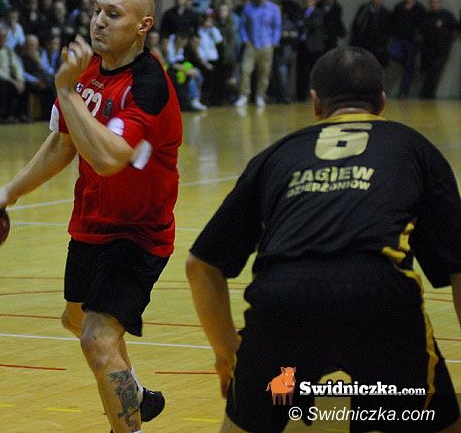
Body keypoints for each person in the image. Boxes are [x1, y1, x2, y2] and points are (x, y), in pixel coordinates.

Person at [186, 46, 460, 433]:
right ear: (381, 102)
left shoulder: (276, 155)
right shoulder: (414, 148)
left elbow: (200, 266)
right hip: (377, 298)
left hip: (282, 301)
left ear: (315, 104)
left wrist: (228, 353)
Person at [0, 0, 182, 433]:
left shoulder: (148, 86)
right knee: (75, 318)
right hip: (90, 223)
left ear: (143, 26)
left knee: (97, 340)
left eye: (113, 14)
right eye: (97, 10)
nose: (99, 21)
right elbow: (63, 143)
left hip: (139, 233)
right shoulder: (86, 71)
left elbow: (107, 158)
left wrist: (66, 92)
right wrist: (9, 192)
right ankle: (137, 395)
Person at [235, 0, 281, 108]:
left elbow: (277, 27)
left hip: (267, 45)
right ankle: (244, 95)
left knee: (264, 72)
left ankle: (260, 95)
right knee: (245, 70)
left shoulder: (274, 8)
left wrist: (274, 41)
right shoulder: (248, 8)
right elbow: (242, 25)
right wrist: (245, 39)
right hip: (251, 44)